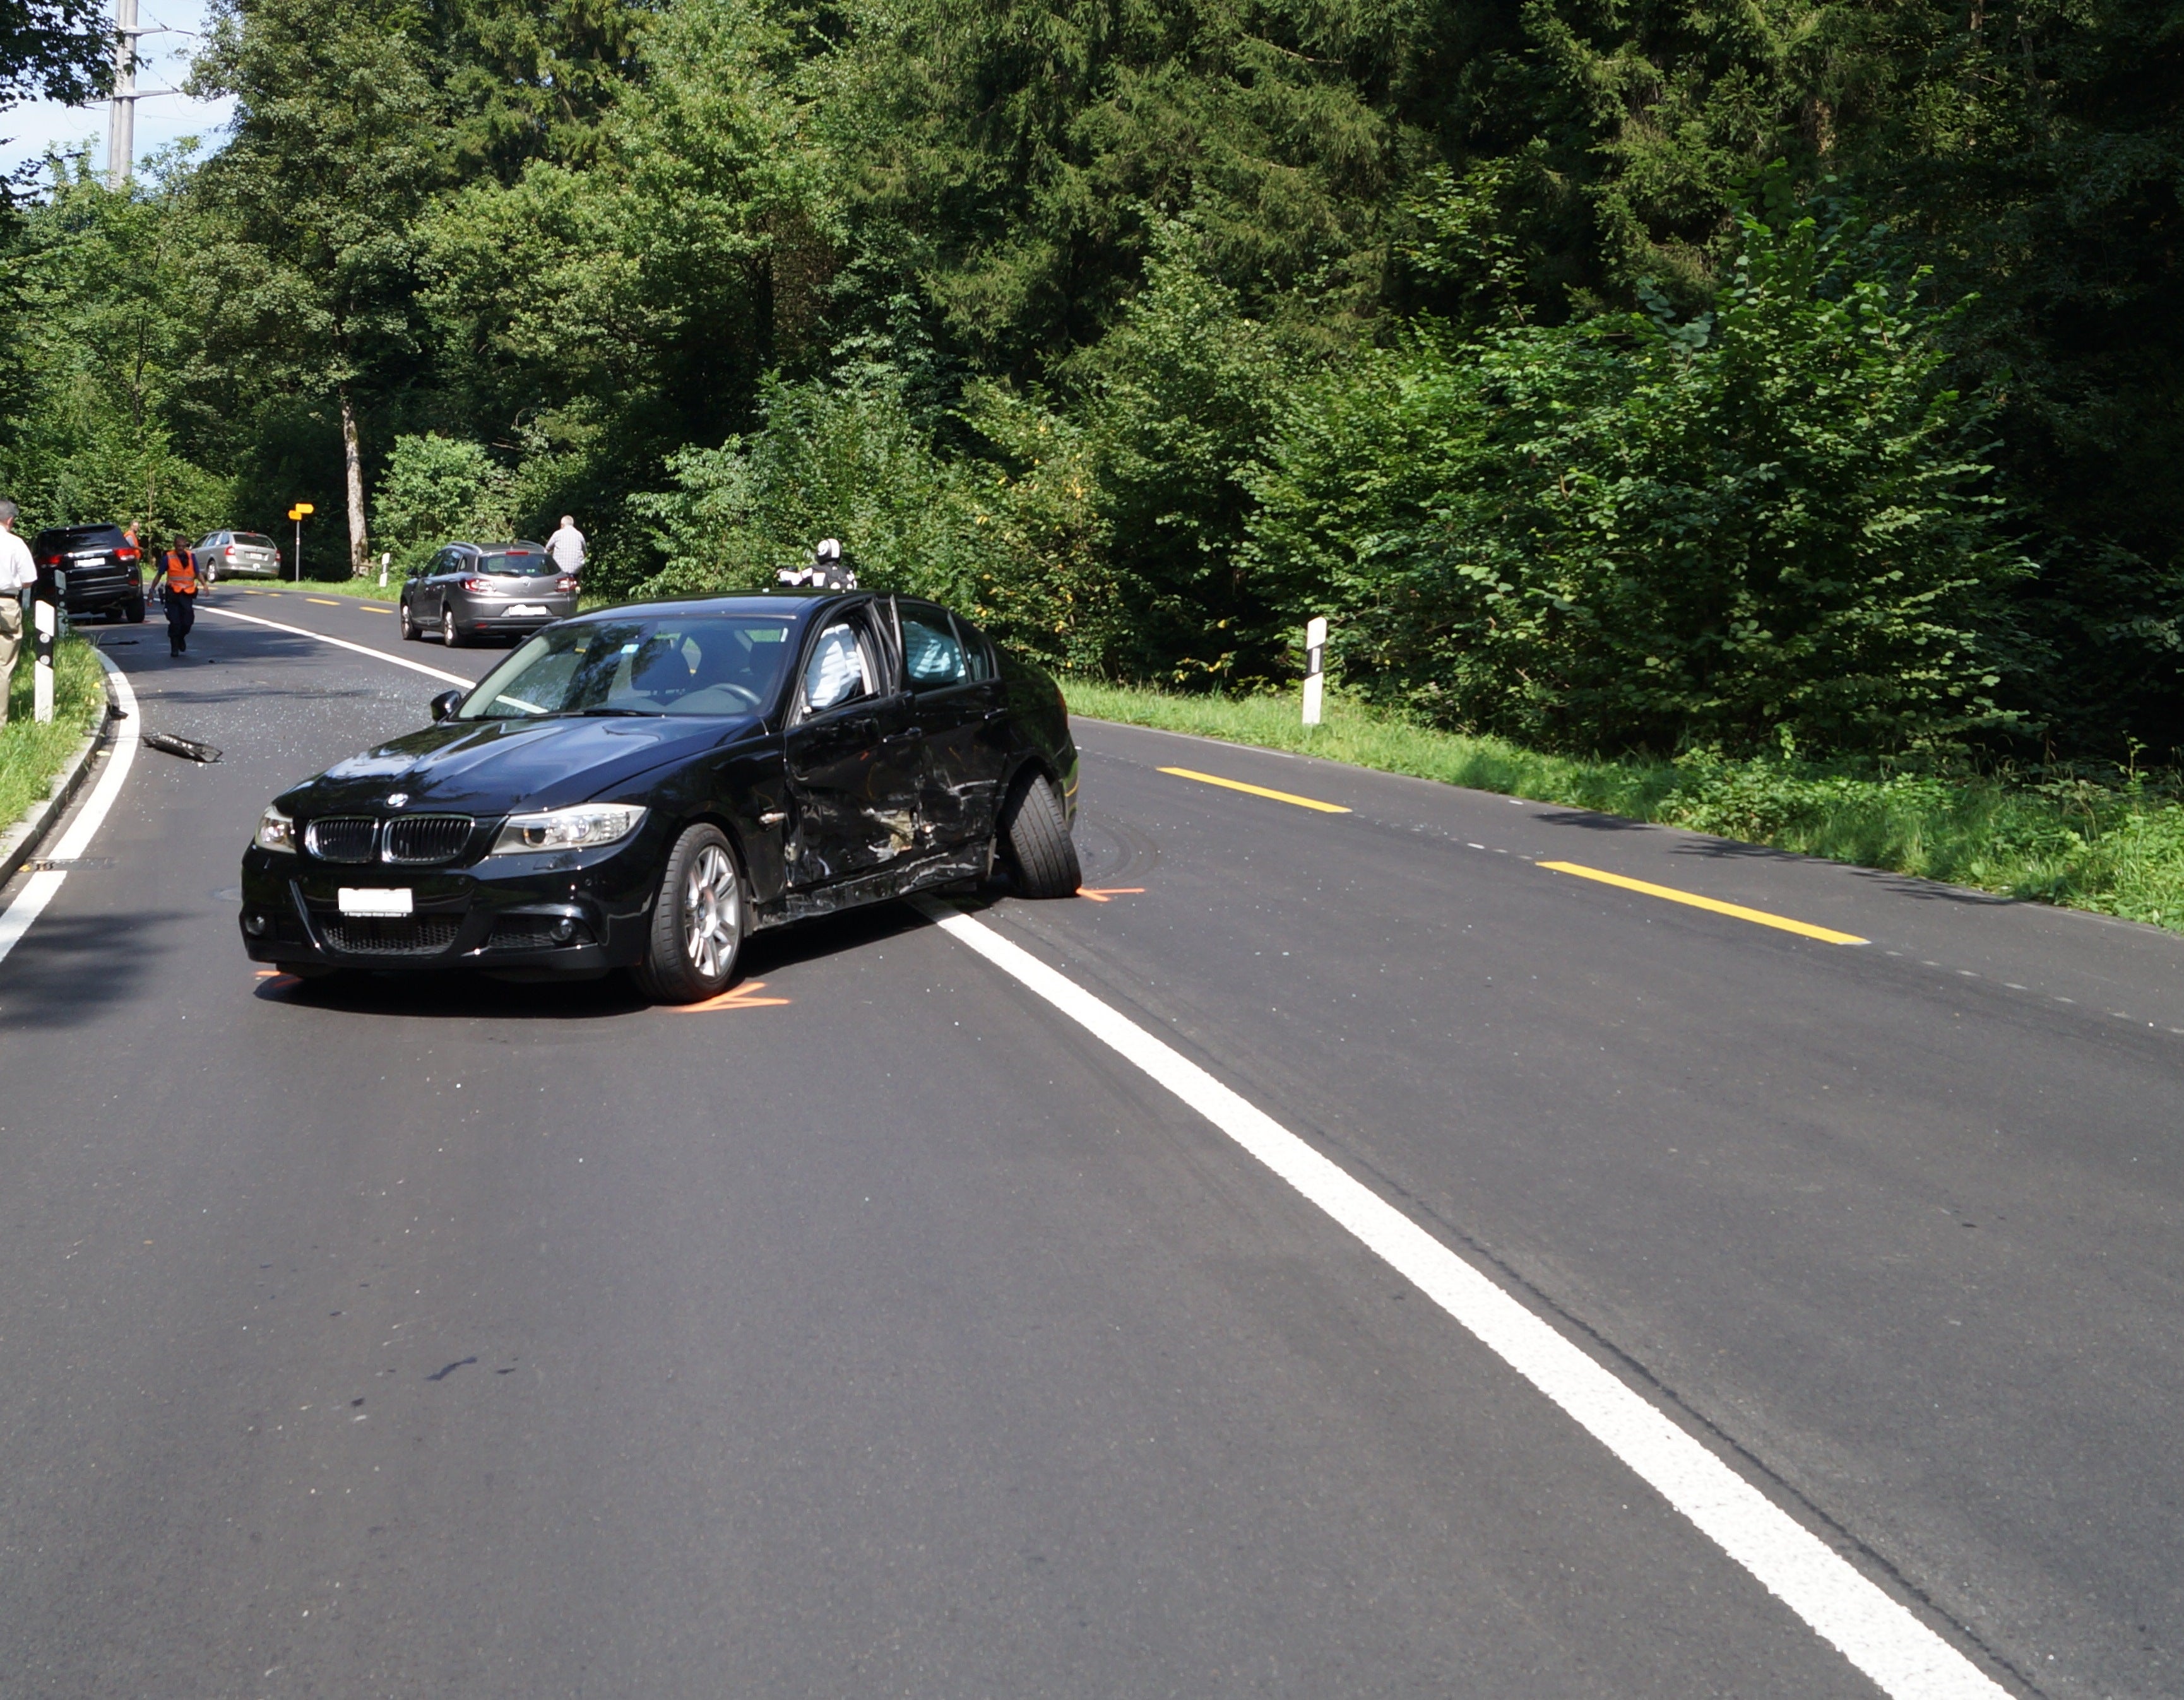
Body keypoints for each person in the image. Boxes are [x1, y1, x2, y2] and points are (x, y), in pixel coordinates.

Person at [0, 500, 35, 723]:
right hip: (7, 604)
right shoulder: (15, 543)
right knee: (3, 666)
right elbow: (29, 580)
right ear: (10, 520)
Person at [148, 534, 199, 656]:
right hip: (173, 595)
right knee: (175, 622)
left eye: (183, 546)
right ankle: (174, 646)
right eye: (178, 546)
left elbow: (198, 573)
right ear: (175, 546)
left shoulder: (192, 557)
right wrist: (151, 591)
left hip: (187, 594)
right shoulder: (168, 558)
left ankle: (181, 637)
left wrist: (205, 586)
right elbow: (159, 575)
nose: (181, 548)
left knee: (188, 622)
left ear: (186, 545)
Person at [547, 514, 586, 579]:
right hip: (576, 570)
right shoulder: (579, 535)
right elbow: (585, 552)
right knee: (579, 572)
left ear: (562, 525)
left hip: (560, 570)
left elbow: (547, 549)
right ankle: (577, 586)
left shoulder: (557, 534)